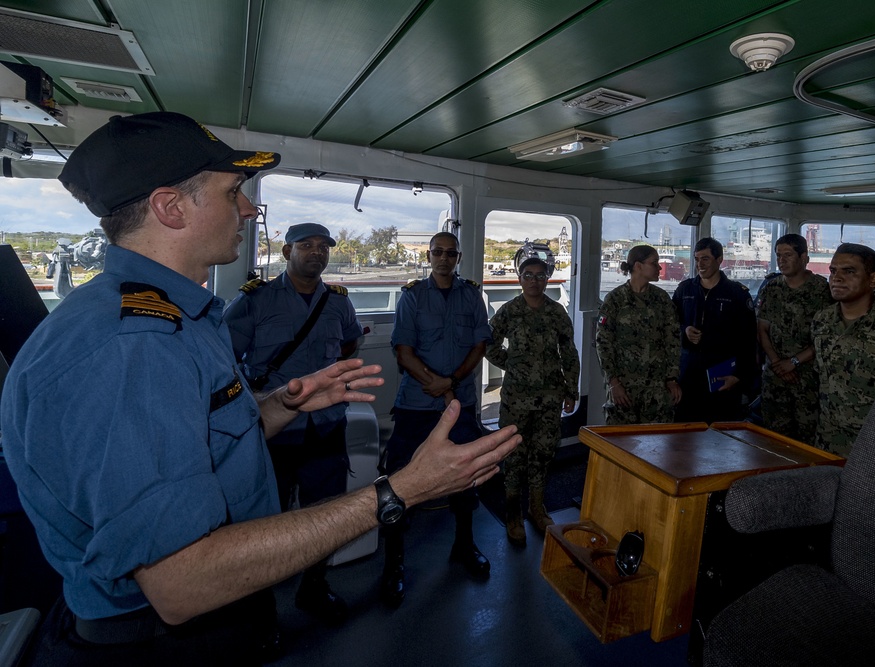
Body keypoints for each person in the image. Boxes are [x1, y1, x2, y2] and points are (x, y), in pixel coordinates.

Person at [0, 111, 520, 666]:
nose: (248, 209)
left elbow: (203, 434)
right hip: (161, 641)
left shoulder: (180, 316)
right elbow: (182, 584)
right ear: (170, 208)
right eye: (233, 192)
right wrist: (401, 492)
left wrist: (278, 405)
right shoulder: (134, 346)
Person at [223, 222, 362, 625]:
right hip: (274, 431)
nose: (316, 253)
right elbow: (228, 360)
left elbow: (350, 342)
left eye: (323, 247)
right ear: (287, 253)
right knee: (265, 523)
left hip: (326, 428)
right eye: (306, 245)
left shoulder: (338, 303)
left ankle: (314, 588)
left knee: (325, 513)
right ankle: (262, 612)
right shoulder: (257, 300)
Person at [380, 231, 493, 607]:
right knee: (398, 483)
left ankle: (464, 545)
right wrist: (439, 386)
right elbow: (403, 351)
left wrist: (454, 383)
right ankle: (394, 564)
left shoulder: (472, 295)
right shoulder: (412, 296)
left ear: (458, 257)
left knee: (466, 478)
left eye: (451, 253)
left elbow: (479, 344)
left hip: (459, 401)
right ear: (428, 256)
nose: (444, 259)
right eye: (438, 253)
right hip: (417, 403)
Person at [485, 257, 580, 547]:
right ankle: (513, 515)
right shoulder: (509, 311)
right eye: (529, 275)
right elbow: (488, 343)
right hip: (517, 399)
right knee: (514, 458)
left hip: (550, 399)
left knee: (542, 455)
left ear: (548, 278)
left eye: (540, 275)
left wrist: (570, 389)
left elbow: (569, 352)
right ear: (520, 278)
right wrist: (511, 365)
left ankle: (537, 510)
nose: (535, 280)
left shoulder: (556, 313)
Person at [812, 243, 875, 457]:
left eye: (849, 271)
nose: (836, 278)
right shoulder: (822, 320)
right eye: (833, 271)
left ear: (873, 279)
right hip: (828, 438)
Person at [756, 234, 834, 443]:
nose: (782, 260)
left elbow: (826, 337)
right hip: (775, 378)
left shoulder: (822, 290)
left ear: (804, 257)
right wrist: (777, 363)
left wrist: (793, 362)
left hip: (807, 379)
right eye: (779, 255)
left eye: (788, 255)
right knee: (773, 439)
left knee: (807, 440)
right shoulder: (772, 288)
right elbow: (762, 329)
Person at [672, 238, 757, 424]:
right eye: (696, 259)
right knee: (685, 438)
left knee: (721, 440)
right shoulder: (684, 290)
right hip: (688, 377)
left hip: (722, 378)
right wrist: (684, 331)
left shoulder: (737, 294)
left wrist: (738, 376)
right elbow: (670, 328)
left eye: (705, 259)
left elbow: (749, 340)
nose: (699, 265)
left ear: (719, 260)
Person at [595, 244, 682, 425]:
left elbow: (672, 340)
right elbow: (603, 343)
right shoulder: (615, 300)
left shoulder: (662, 299)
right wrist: (613, 382)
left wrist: (672, 379)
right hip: (624, 390)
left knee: (659, 446)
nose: (659, 267)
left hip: (657, 389)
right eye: (655, 263)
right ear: (638, 266)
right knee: (621, 444)